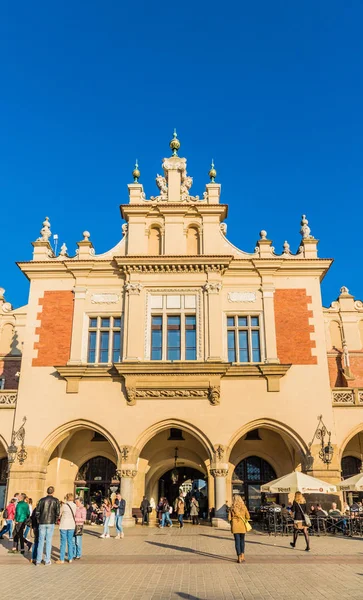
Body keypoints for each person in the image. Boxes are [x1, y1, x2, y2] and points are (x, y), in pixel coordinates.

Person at [36, 486, 60, 566]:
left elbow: (37, 512)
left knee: (40, 541)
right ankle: (47, 560)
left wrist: (39, 520)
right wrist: (55, 520)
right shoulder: (56, 500)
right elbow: (57, 513)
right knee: (49, 541)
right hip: (50, 522)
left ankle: (38, 560)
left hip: (42, 522)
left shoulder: (41, 500)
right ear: (53, 492)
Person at [228, 494, 251, 563]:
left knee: (237, 541)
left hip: (235, 525)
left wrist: (232, 521)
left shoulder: (232, 507)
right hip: (242, 525)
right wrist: (244, 519)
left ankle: (239, 557)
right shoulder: (244, 507)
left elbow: (229, 518)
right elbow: (248, 516)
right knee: (242, 540)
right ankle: (243, 555)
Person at [56, 493, 76, 564]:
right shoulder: (74, 505)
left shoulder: (64, 506)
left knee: (63, 542)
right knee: (70, 542)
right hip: (71, 525)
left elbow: (59, 514)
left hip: (64, 525)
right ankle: (70, 558)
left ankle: (62, 559)